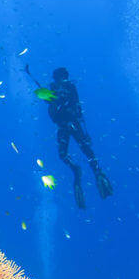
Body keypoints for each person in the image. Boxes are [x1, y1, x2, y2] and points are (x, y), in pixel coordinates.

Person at [46, 67, 113, 208]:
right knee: (64, 154)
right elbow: (53, 105)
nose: (60, 80)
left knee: (84, 149)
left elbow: (75, 106)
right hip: (64, 126)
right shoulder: (55, 89)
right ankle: (79, 170)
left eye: (60, 77)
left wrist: (55, 96)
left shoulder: (69, 87)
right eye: (58, 78)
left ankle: (96, 172)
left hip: (71, 124)